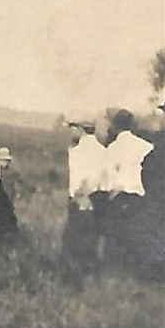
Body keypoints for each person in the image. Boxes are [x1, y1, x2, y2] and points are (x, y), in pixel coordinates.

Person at [102, 108, 154, 273]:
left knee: (115, 235)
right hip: (140, 196)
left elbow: (108, 176)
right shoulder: (145, 146)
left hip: (119, 196)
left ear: (116, 126)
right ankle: (135, 270)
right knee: (137, 234)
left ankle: (115, 271)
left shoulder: (113, 148)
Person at [62, 118, 108, 277]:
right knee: (91, 238)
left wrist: (81, 196)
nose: (71, 132)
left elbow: (81, 177)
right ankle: (91, 274)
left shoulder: (80, 151)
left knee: (74, 240)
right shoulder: (102, 150)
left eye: (73, 128)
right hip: (98, 198)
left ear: (80, 129)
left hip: (81, 198)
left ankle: (75, 277)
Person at [141, 85, 165, 281]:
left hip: (163, 191)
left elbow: (153, 164)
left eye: (164, 111)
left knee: (159, 230)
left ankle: (157, 274)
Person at [0, 147, 20, 243]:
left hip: (9, 199)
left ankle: (8, 238)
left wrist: (16, 194)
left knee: (8, 219)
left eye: (6, 161)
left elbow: (16, 186)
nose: (4, 163)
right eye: (2, 160)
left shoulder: (13, 173)